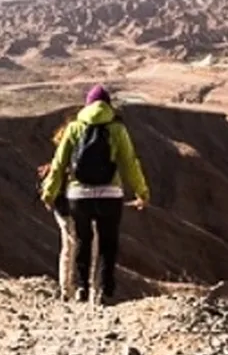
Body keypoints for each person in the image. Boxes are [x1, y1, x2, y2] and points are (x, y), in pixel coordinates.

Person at [40, 84, 150, 304]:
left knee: (82, 241)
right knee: (108, 244)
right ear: (108, 105)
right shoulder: (118, 129)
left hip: (78, 196)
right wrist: (142, 192)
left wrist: (49, 192)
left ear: (87, 105)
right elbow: (129, 163)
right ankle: (102, 292)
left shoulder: (73, 128)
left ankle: (81, 289)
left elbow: (59, 163)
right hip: (111, 195)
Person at [37, 113, 90, 301]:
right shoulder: (81, 154)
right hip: (77, 203)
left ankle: (66, 289)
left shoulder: (59, 157)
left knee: (68, 245)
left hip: (61, 205)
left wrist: (48, 196)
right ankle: (82, 288)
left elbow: (54, 176)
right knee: (83, 243)